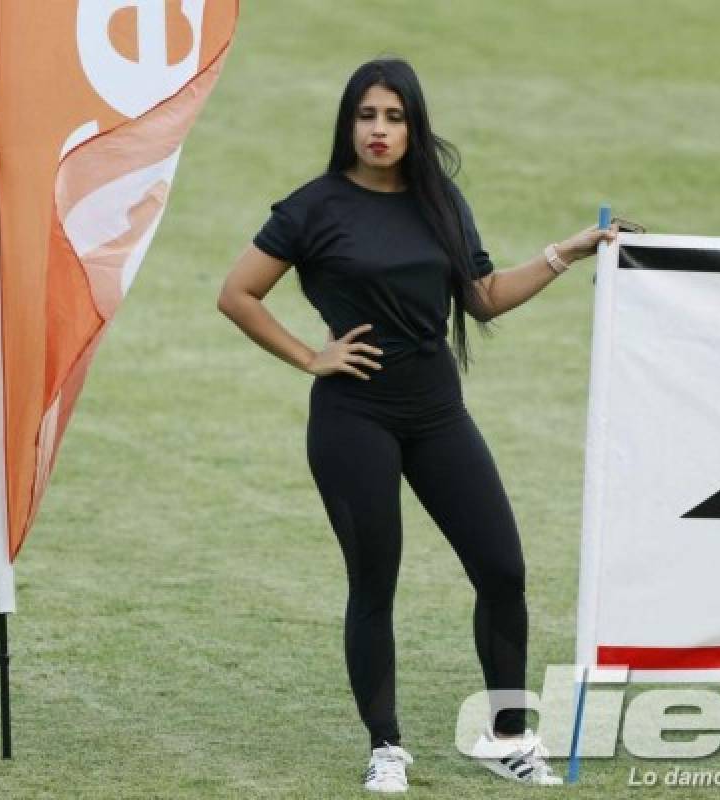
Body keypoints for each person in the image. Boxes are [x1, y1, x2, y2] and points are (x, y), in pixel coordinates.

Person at [218, 57, 614, 792]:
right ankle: (386, 746)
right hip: (353, 417)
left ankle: (507, 736)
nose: (379, 129)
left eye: (394, 117)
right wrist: (311, 355)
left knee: (503, 569)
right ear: (348, 124)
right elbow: (237, 293)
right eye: (367, 115)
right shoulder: (312, 207)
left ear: (413, 126)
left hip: (437, 413)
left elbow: (485, 297)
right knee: (375, 581)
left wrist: (568, 251)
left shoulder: (441, 202)